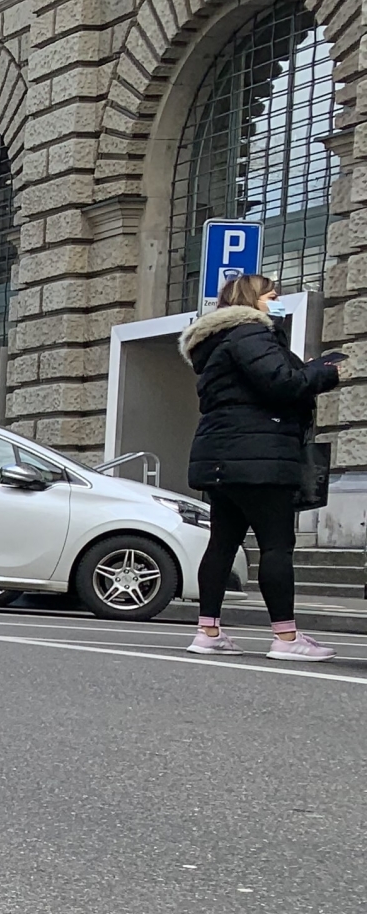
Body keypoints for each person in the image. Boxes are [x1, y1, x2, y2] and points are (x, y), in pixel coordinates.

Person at [180, 272, 343, 659]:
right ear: (252, 301)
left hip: (221, 455)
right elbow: (281, 383)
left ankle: (208, 630)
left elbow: (257, 382)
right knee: (276, 546)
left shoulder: (218, 341)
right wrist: (322, 372)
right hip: (259, 456)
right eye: (272, 295)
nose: (277, 300)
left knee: (221, 543)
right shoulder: (251, 334)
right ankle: (285, 638)